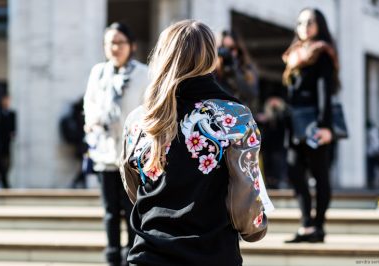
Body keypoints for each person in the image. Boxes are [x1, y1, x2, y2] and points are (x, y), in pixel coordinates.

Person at [119, 20, 274, 266]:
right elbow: (244, 197)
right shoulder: (235, 118)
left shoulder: (140, 119)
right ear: (211, 59)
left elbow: (133, 189)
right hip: (212, 254)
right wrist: (255, 229)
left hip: (149, 254)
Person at [83, 22, 150, 266]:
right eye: (110, 42)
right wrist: (92, 123)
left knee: (133, 210)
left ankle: (133, 258)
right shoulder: (98, 72)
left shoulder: (144, 73)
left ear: (131, 45)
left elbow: (149, 110)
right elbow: (89, 104)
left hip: (133, 156)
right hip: (105, 153)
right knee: (111, 212)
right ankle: (112, 256)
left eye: (120, 42)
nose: (115, 47)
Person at [282, 8, 340, 243]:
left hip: (315, 123)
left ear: (319, 25)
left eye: (310, 22)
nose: (304, 26)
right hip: (295, 123)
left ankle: (318, 226)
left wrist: (325, 126)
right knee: (294, 170)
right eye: (300, 22)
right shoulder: (293, 54)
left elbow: (324, 91)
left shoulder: (322, 52)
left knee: (320, 173)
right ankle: (307, 224)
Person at [215, 30, 259, 114]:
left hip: (240, 114)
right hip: (220, 115)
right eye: (224, 47)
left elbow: (252, 94)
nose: (228, 52)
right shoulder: (214, 70)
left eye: (231, 48)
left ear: (238, 48)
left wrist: (234, 71)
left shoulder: (246, 68)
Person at [0, 91, 16, 189]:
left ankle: (4, 183)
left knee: (7, 164)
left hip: (6, 144)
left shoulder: (12, 114)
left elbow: (13, 129)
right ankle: (2, 183)